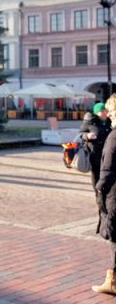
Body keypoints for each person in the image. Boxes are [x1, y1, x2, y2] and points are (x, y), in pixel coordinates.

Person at [93, 95, 116, 294]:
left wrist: (99, 188)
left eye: (111, 110)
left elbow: (107, 168)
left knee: (115, 235)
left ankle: (113, 281)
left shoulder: (114, 136)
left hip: (114, 194)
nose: (108, 114)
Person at [81, 102, 112, 191]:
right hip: (95, 155)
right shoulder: (90, 122)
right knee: (97, 178)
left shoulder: (111, 121)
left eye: (105, 110)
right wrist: (87, 136)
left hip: (108, 154)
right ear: (96, 113)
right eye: (102, 111)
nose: (105, 112)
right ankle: (99, 198)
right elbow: (80, 134)